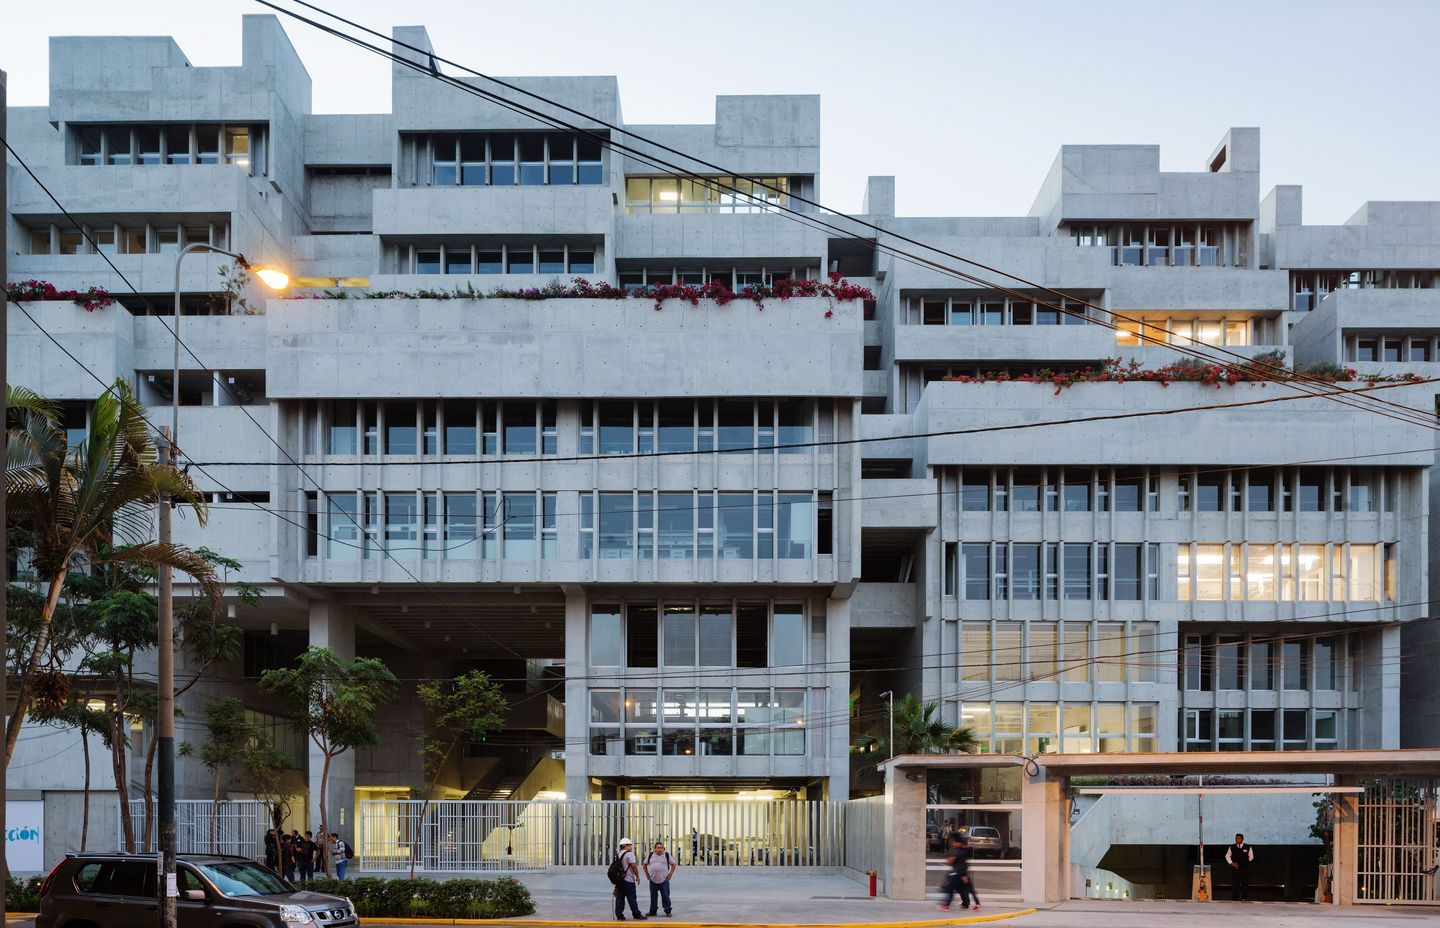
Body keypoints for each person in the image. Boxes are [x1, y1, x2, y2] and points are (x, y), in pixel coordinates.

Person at [612, 837, 646, 921]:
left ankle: (619, 915)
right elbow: (634, 866)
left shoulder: (618, 854)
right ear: (625, 845)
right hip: (628, 880)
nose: (631, 846)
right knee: (632, 898)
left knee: (620, 898)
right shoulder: (630, 854)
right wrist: (637, 876)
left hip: (619, 881)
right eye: (629, 845)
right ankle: (636, 915)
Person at [644, 840, 676, 917]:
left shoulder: (666, 855)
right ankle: (653, 911)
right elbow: (644, 865)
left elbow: (673, 864)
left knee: (665, 895)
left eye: (661, 848)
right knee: (653, 896)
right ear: (654, 849)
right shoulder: (650, 855)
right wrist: (647, 875)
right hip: (653, 880)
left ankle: (668, 911)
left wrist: (670, 874)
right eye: (658, 848)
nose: (660, 849)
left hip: (664, 880)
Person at [1226, 833, 1254, 901]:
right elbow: (1227, 856)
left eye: (1238, 838)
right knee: (1235, 883)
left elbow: (1251, 857)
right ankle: (1235, 898)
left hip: (1244, 868)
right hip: (1235, 868)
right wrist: (1232, 863)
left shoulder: (1248, 847)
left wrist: (1244, 862)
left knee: (1245, 883)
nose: (1237, 840)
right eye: (1236, 838)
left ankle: (1245, 897)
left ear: (1242, 839)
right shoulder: (1232, 847)